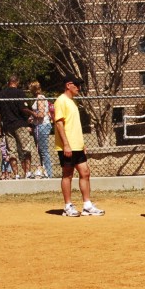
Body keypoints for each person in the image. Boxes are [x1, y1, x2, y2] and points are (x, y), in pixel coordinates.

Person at [55, 72, 104, 217]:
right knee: (68, 174)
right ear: (68, 85)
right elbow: (59, 124)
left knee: (85, 173)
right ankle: (68, 206)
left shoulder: (73, 102)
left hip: (77, 145)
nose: (79, 87)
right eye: (76, 84)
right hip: (67, 146)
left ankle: (87, 205)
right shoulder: (61, 101)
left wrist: (81, 144)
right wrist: (66, 145)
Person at [0, 75, 37, 179]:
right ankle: (27, 172)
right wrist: (32, 113)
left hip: (7, 125)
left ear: (8, 82)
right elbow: (23, 108)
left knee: (12, 151)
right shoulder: (19, 93)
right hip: (20, 124)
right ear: (17, 82)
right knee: (26, 148)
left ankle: (16, 174)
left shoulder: (1, 94)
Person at [29, 81, 53, 178]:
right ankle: (44, 170)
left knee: (43, 150)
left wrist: (32, 114)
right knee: (40, 150)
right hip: (38, 125)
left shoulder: (40, 98)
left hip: (42, 125)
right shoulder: (37, 99)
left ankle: (48, 172)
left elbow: (41, 114)